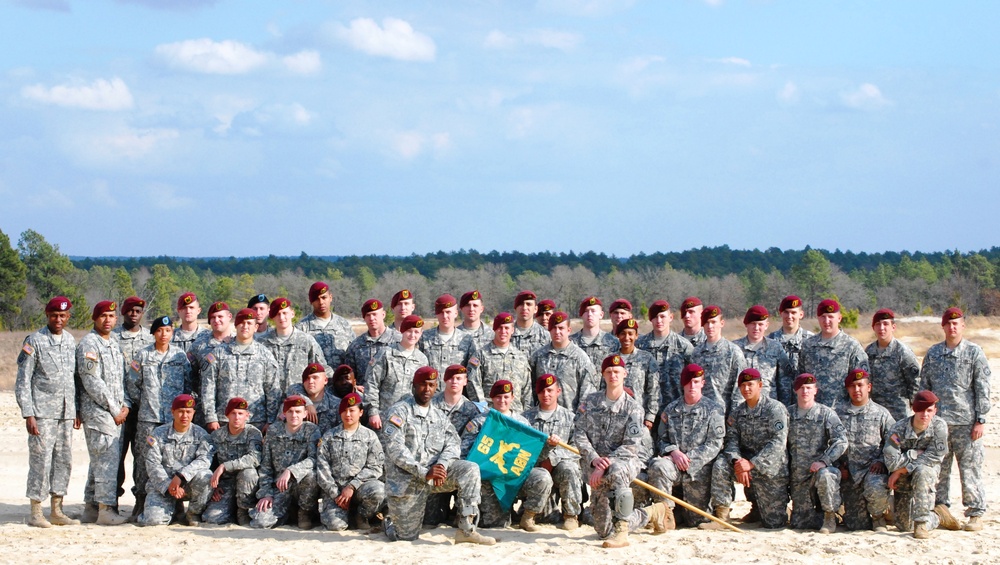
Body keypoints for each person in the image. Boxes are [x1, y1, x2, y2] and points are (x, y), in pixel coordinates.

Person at [381, 366, 496, 544]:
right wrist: (424, 472)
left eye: (431, 385)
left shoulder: (438, 416)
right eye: (422, 385)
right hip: (408, 481)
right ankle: (390, 521)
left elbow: (453, 443)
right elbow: (395, 450)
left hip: (435, 477)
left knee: (469, 469)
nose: (427, 390)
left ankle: (466, 529)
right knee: (404, 537)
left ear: (436, 387)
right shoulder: (399, 412)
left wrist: (441, 465)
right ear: (414, 386)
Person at [573, 355, 669, 548]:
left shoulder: (633, 408)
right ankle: (652, 512)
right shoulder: (591, 402)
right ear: (603, 375)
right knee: (603, 530)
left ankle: (622, 532)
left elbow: (631, 445)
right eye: (609, 371)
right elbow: (579, 433)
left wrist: (605, 463)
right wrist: (593, 459)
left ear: (625, 374)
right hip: (595, 464)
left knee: (616, 471)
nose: (613, 375)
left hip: (625, 461)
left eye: (617, 371)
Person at [919, 307, 991, 532]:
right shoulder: (933, 353)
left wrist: (980, 419)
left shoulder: (974, 352)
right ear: (943, 327)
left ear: (963, 326)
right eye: (948, 324)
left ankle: (975, 513)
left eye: (956, 323)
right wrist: (926, 420)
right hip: (939, 424)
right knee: (940, 470)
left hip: (966, 423)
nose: (952, 327)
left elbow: (982, 387)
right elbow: (925, 388)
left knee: (970, 470)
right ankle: (942, 511)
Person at [15, 296, 78, 528]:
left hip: (65, 413)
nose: (58, 319)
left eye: (63, 316)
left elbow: (74, 379)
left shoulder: (71, 341)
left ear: (68, 316)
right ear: (47, 315)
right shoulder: (35, 340)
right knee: (41, 461)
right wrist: (28, 414)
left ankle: (57, 509)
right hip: (42, 413)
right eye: (54, 315)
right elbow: (23, 380)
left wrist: (76, 409)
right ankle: (35, 511)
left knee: (63, 460)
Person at [704, 368, 789, 530]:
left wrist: (751, 464)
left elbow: (778, 442)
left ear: (760, 385)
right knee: (721, 463)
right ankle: (722, 515)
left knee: (773, 523)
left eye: (750, 384)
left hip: (770, 469)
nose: (746, 389)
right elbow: (731, 441)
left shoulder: (775, 409)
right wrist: (737, 461)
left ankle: (766, 508)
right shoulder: (738, 412)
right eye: (743, 385)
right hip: (744, 466)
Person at [127, 314, 192, 520]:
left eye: (168, 331)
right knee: (144, 460)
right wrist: (145, 401)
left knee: (174, 460)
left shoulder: (179, 356)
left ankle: (177, 503)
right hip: (149, 417)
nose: (164, 334)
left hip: (173, 418)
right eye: (160, 331)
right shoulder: (143, 355)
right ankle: (140, 500)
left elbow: (188, 385)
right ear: (154, 333)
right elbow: (132, 384)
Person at [647, 363, 724, 528]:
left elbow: (715, 443)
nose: (692, 386)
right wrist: (673, 452)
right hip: (674, 465)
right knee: (658, 465)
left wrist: (689, 459)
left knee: (696, 520)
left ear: (703, 383)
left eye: (696, 382)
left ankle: (683, 513)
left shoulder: (714, 410)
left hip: (699, 471)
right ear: (683, 383)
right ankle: (665, 515)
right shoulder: (671, 409)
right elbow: (662, 439)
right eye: (688, 382)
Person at [77, 300, 130, 525]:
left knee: (100, 460)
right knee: (107, 460)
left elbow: (120, 377)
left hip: (116, 411)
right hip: (99, 412)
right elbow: (92, 381)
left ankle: (91, 508)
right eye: (103, 316)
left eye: (111, 316)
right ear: (94, 318)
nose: (107, 320)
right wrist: (115, 408)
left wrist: (125, 403)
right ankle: (106, 510)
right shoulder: (89, 344)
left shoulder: (113, 343)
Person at [459, 380, 532, 528]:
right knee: (494, 524)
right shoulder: (480, 422)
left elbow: (530, 453)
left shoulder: (522, 424)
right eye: (498, 397)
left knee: (540, 477)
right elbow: (464, 452)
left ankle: (526, 515)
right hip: (487, 479)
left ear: (512, 397)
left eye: (506, 397)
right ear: (492, 398)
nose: (502, 401)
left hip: (513, 476)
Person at [884, 391, 953, 538]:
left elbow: (935, 456)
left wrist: (902, 469)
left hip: (925, 474)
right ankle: (938, 515)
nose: (925, 415)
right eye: (921, 410)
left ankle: (922, 523)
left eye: (929, 410)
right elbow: (891, 462)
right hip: (903, 479)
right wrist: (914, 453)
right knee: (904, 526)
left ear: (935, 411)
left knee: (922, 470)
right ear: (914, 410)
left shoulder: (939, 426)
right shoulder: (898, 430)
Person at [201, 308, 281, 432]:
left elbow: (272, 390)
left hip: (256, 421)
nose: (245, 326)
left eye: (249, 323)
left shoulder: (265, 355)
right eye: (242, 323)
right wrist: (211, 417)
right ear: (236, 325)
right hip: (224, 421)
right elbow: (208, 386)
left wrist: (271, 420)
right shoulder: (219, 353)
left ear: (255, 327)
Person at [138, 394, 213, 527]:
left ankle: (192, 513)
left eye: (188, 412)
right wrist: (168, 486)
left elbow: (204, 460)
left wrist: (181, 476)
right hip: (162, 486)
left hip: (188, 486)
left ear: (194, 413)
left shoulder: (201, 435)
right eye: (181, 412)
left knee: (206, 476)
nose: (185, 416)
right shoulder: (158, 434)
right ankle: (172, 510)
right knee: (154, 522)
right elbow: (152, 464)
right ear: (173, 412)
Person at [787, 374, 848, 533]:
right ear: (795, 391)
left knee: (827, 475)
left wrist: (824, 461)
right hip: (797, 477)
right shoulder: (788, 414)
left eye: (808, 388)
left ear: (815, 390)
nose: (805, 391)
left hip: (819, 472)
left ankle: (830, 516)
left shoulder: (826, 414)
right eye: (801, 388)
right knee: (800, 523)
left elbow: (841, 441)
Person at [520, 374, 582, 531]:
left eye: (550, 390)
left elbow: (577, 449)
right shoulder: (526, 418)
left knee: (571, 468)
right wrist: (541, 462)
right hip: (533, 468)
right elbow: (520, 448)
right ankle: (529, 515)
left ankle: (570, 516)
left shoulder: (570, 418)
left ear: (558, 391)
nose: (546, 395)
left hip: (559, 467)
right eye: (541, 391)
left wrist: (553, 458)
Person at [317, 392, 386, 531]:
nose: (348, 414)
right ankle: (343, 513)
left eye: (352, 410)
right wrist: (336, 494)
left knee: (378, 490)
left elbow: (375, 467)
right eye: (344, 411)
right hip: (335, 491)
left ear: (361, 412)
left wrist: (352, 486)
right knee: (336, 526)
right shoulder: (329, 436)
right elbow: (322, 468)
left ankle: (361, 516)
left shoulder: (370, 436)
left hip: (360, 488)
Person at [836, 368, 895, 531]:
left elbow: (894, 442)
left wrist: (882, 461)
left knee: (875, 486)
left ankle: (879, 517)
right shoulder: (838, 413)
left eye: (860, 385)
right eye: (853, 386)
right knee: (856, 525)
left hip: (872, 471)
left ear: (869, 387)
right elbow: (828, 442)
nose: (857, 390)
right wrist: (838, 466)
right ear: (847, 389)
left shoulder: (881, 414)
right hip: (849, 475)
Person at [250, 395, 321, 529]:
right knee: (261, 522)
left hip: (301, 485)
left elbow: (314, 459)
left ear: (305, 413)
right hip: (279, 488)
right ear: (284, 413)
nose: (294, 415)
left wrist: (291, 470)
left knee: (312, 475)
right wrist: (266, 494)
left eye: (298, 411)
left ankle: (304, 513)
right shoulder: (273, 431)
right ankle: (287, 513)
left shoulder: (312, 430)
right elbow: (266, 465)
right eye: (290, 411)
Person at [112, 296, 154, 504]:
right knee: (115, 455)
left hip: (144, 409)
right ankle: (111, 499)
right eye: (130, 311)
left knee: (143, 456)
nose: (134, 314)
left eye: (138, 311)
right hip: (118, 408)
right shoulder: (112, 338)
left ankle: (141, 499)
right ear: (123, 312)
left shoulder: (150, 338)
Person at [798, 299, 869, 409]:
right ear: (818, 318)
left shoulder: (851, 346)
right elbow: (800, 379)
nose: (827, 321)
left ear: (839, 318)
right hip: (813, 413)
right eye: (823, 316)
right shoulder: (808, 346)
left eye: (831, 316)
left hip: (841, 412)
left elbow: (861, 383)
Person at [202, 397, 262, 526]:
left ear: (247, 416)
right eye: (233, 413)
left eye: (240, 414)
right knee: (212, 519)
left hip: (247, 484)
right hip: (226, 484)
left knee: (249, 473)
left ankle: (243, 511)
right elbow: (207, 462)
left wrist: (225, 466)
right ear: (227, 415)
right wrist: (213, 485)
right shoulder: (217, 435)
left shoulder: (253, 433)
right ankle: (231, 510)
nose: (237, 417)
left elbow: (254, 458)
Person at [365, 315, 429, 430]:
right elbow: (372, 383)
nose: (412, 335)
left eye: (416, 332)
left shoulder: (422, 359)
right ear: (402, 331)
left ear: (421, 333)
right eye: (409, 331)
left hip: (410, 419)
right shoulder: (386, 354)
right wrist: (373, 412)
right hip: (384, 417)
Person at [529, 311, 598, 411]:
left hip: (570, 419)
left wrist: (578, 418)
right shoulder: (538, 356)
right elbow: (531, 389)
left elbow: (587, 394)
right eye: (554, 328)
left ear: (569, 330)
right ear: (549, 330)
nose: (557, 332)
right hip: (541, 419)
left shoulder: (580, 357)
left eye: (561, 328)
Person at [257, 297, 328, 394]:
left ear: (292, 313)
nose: (282, 317)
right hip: (270, 403)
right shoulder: (262, 343)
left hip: (298, 403)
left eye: (285, 313)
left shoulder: (306, 341)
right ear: (272, 317)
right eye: (278, 314)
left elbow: (322, 369)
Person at [466, 311, 532, 408]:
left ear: (512, 330)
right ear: (494, 329)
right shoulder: (481, 355)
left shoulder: (520, 357)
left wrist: (526, 413)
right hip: (491, 413)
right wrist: (483, 409)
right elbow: (473, 383)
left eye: (507, 328)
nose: (503, 331)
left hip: (516, 414)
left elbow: (527, 390)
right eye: (500, 328)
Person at [635, 300, 693, 409]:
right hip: (645, 409)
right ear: (650, 319)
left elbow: (692, 379)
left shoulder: (683, 346)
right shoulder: (639, 346)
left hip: (675, 410)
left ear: (671, 317)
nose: (659, 320)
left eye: (662, 316)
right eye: (655, 317)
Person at [690, 305, 747, 414]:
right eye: (706, 322)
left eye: (713, 322)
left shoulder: (733, 352)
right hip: (700, 414)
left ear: (722, 323)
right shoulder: (696, 353)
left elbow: (738, 387)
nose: (710, 326)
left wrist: (734, 415)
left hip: (723, 414)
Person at [866, 308, 921, 421]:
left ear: (893, 327)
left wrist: (913, 405)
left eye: (886, 324)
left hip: (898, 413)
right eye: (878, 324)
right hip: (876, 412)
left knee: (896, 439)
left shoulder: (902, 352)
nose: (882, 328)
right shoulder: (868, 351)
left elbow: (915, 382)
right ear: (873, 328)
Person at [733, 305, 791, 404]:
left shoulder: (775, 348)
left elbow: (784, 382)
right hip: (742, 408)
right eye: (753, 323)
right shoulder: (735, 348)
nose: (756, 328)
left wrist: (784, 408)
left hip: (769, 407)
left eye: (760, 324)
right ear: (746, 324)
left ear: (766, 325)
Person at [612, 318, 660, 428]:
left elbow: (654, 390)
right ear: (618, 336)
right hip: (614, 416)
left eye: (630, 334)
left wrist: (650, 417)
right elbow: (602, 387)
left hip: (639, 417)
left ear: (637, 336)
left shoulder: (646, 359)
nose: (627, 338)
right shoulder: (611, 359)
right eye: (623, 334)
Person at [344, 298, 402, 386]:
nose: (372, 318)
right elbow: (349, 376)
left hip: (392, 397)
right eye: (368, 315)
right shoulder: (356, 345)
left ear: (383, 314)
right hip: (365, 397)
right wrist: (355, 387)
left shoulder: (398, 340)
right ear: (364, 318)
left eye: (375, 314)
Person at [297, 281, 355, 368]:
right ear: (311, 301)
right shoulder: (302, 328)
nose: (321, 302)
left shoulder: (344, 325)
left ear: (330, 297)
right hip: (315, 379)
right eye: (316, 299)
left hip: (342, 379)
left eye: (324, 298)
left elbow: (353, 353)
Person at [767, 295, 814, 402]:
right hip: (777, 401)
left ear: (801, 314)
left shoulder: (811, 341)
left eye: (793, 313)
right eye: (786, 312)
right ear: (781, 314)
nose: (789, 316)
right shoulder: (770, 341)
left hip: (803, 402)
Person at [419, 294, 475, 375]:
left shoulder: (467, 340)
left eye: (448, 312)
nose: (445, 316)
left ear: (456, 313)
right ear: (436, 314)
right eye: (441, 312)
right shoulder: (424, 338)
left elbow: (471, 372)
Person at [285, 363, 341, 435]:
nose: (311, 381)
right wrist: (307, 404)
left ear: (325, 380)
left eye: (315, 378)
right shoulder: (293, 404)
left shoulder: (336, 404)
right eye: (307, 378)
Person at [432, 365, 484, 435]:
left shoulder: (471, 409)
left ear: (465, 381)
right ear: (445, 379)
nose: (454, 381)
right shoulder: (431, 402)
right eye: (451, 378)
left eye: (458, 378)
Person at [570, 295, 620, 368]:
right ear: (581, 315)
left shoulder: (613, 342)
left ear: (601, 315)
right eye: (586, 311)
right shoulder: (570, 342)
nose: (589, 314)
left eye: (593, 311)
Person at [510, 290, 550, 357]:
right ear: (515, 308)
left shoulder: (545, 336)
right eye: (521, 304)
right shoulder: (505, 333)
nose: (525, 308)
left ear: (535, 309)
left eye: (529, 304)